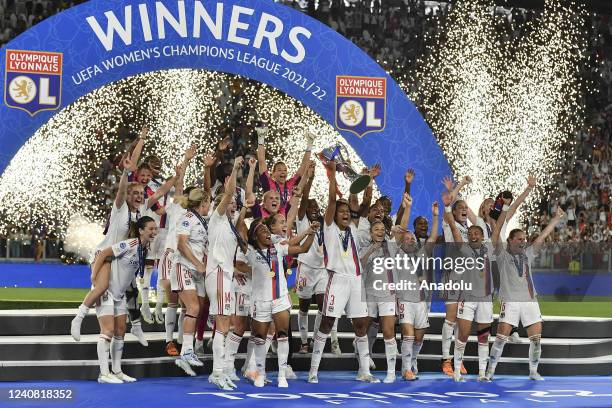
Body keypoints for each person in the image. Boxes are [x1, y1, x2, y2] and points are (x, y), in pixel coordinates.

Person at [70, 140, 173, 343]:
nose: (138, 196)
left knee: (131, 290)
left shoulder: (138, 215)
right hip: (106, 255)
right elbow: (121, 191)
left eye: (141, 194)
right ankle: (79, 317)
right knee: (100, 288)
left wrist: (181, 169)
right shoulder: (121, 208)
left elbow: (160, 192)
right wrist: (126, 173)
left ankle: (135, 327)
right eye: (134, 193)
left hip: (121, 257)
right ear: (127, 196)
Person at [307, 159, 378, 384]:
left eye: (348, 211)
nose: (346, 213)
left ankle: (364, 371)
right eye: (342, 211)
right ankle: (313, 371)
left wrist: (369, 181)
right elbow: (331, 200)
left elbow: (366, 203)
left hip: (356, 281)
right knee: (327, 323)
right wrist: (331, 176)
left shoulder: (354, 228)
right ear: (335, 215)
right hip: (337, 281)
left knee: (360, 325)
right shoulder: (328, 228)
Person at [485, 204, 565, 381]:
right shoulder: (501, 254)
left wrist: (556, 219)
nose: (523, 241)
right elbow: (496, 236)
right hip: (510, 301)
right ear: (511, 240)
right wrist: (502, 211)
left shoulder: (528, 253)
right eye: (520, 239)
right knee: (500, 339)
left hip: (530, 301)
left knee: (536, 340)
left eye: (524, 239)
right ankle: (490, 372)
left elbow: (542, 237)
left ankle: (533, 371)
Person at [236, 218, 317, 387]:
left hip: (280, 299)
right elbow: (239, 232)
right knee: (259, 338)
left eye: (267, 230)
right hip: (260, 301)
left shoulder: (278, 247)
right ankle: (259, 373)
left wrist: (312, 233)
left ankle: (281, 376)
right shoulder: (250, 251)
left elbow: (303, 248)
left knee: (282, 335)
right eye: (263, 231)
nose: (267, 233)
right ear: (255, 236)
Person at [443, 190, 503, 382]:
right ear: (468, 237)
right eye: (471, 233)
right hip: (467, 299)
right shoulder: (463, 248)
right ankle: (457, 371)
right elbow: (453, 227)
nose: (474, 235)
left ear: (482, 235)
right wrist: (446, 207)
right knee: (463, 335)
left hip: (485, 299)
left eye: (477, 232)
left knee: (484, 337)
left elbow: (499, 226)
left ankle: (483, 373)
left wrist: (504, 208)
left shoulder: (489, 248)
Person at [91, 216, 158, 383]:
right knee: (107, 331)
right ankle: (103, 374)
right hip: (106, 291)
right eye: (150, 229)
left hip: (119, 295)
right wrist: (94, 276)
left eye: (155, 229)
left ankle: (117, 371)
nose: (154, 232)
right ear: (141, 231)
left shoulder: (144, 249)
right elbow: (104, 253)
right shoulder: (130, 244)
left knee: (120, 331)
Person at [360, 193, 413, 383]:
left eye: (383, 229)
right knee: (363, 331)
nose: (380, 232)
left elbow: (403, 228)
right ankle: (363, 369)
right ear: (371, 233)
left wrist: (407, 206)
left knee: (389, 332)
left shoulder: (391, 245)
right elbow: (362, 264)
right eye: (377, 230)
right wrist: (373, 248)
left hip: (388, 295)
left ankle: (391, 372)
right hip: (368, 295)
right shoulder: (365, 248)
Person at [205, 156, 246, 390]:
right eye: (229, 204)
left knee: (226, 323)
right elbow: (229, 194)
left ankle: (220, 371)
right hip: (218, 272)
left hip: (225, 275)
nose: (233, 205)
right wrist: (237, 168)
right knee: (222, 324)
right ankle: (218, 373)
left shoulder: (229, 225)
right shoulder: (217, 218)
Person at [395, 201, 439, 381]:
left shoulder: (421, 253)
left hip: (421, 300)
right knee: (409, 336)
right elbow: (401, 230)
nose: (411, 239)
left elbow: (433, 237)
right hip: (405, 299)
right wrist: (407, 208)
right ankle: (406, 369)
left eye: (413, 238)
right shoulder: (397, 253)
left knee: (419, 338)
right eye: (408, 238)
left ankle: (413, 361)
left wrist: (436, 216)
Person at [171, 187, 211, 377]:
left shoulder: (203, 220)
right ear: (202, 203)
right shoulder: (187, 218)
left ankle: (183, 355)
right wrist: (198, 263)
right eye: (208, 203)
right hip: (184, 267)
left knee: (198, 309)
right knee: (193, 308)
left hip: (198, 272)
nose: (209, 206)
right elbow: (181, 243)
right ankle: (187, 351)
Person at [256, 125, 314, 215]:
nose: (283, 172)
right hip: (270, 219)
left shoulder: (291, 184)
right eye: (279, 170)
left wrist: (309, 145)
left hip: (287, 223)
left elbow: (303, 166)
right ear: (273, 174)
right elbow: (262, 161)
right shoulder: (268, 183)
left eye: (285, 170)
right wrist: (261, 139)